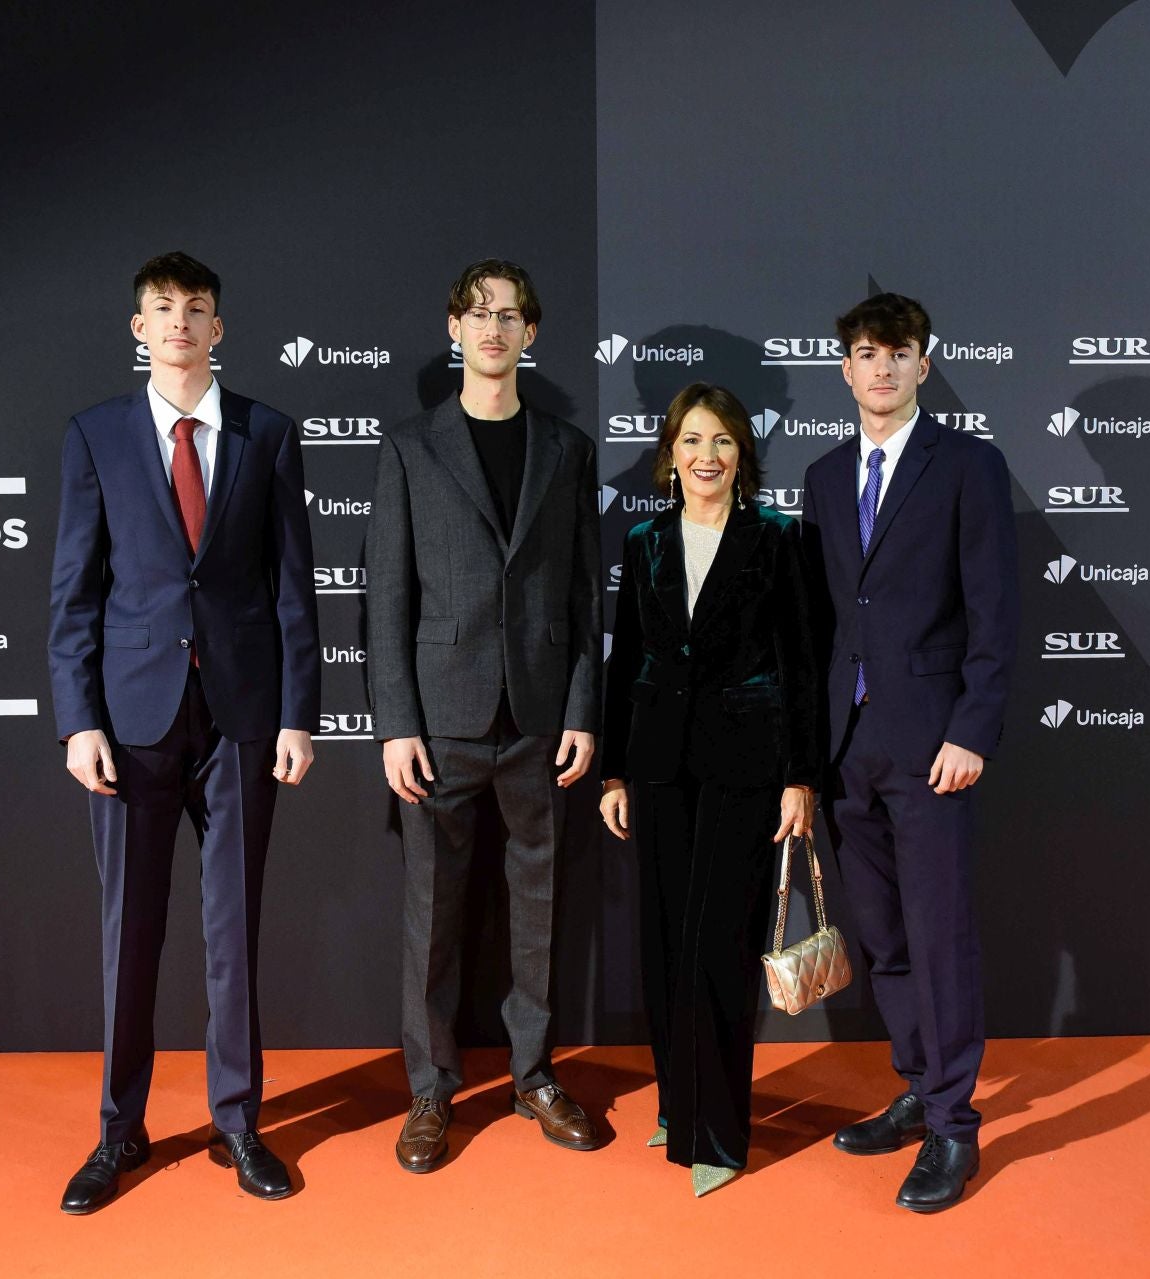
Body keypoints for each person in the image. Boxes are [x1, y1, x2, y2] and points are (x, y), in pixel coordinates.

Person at [47, 252, 320, 1212]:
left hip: (242, 716)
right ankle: (120, 1132)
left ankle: (239, 1124)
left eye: (195, 309)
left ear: (217, 328)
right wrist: (78, 721)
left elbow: (294, 590)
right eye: (161, 309)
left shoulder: (269, 435)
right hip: (130, 722)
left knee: (232, 930)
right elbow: (74, 594)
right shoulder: (96, 438)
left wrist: (298, 713)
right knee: (132, 933)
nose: (178, 323)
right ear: (138, 327)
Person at [364, 259, 604, 1172]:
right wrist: (396, 723)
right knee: (432, 909)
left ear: (530, 334)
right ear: (453, 330)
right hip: (441, 721)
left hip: (540, 717)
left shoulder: (566, 449)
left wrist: (583, 707)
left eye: (510, 315)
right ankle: (430, 1091)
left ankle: (535, 1074)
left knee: (537, 911)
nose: (494, 328)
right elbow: (384, 598)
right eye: (477, 313)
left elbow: (585, 594)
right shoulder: (409, 448)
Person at [799, 292, 1019, 1213]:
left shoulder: (967, 465)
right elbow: (817, 623)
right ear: (844, 369)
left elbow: (995, 611)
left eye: (896, 351)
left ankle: (955, 1130)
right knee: (884, 941)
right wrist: (805, 754)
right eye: (863, 352)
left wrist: (972, 729)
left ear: (923, 364)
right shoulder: (819, 476)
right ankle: (920, 1088)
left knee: (939, 941)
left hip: (932, 747)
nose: (880, 367)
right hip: (846, 747)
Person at [598, 383, 821, 1197]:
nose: (707, 456)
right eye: (693, 440)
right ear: (670, 454)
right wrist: (616, 769)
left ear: (742, 456)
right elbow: (629, 662)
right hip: (658, 765)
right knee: (663, 950)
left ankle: (718, 1134)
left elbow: (802, 663)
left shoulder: (775, 540)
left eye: (723, 441)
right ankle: (676, 1104)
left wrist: (802, 776)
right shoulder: (645, 539)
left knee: (719, 951)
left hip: (747, 766)